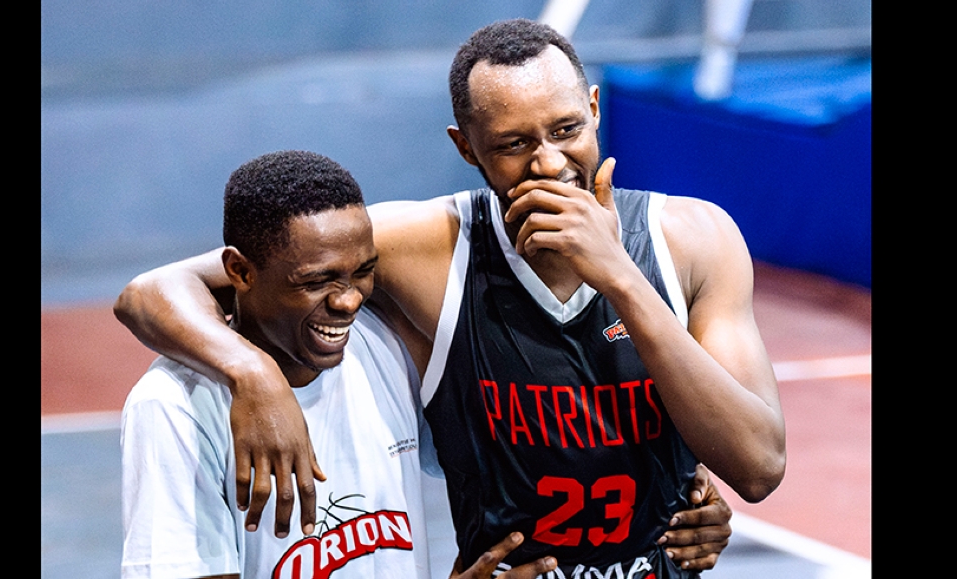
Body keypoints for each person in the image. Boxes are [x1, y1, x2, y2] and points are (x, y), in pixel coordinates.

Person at [116, 18, 781, 577]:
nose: (548, 163)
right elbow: (152, 291)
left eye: (566, 128)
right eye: (514, 144)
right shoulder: (425, 246)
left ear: (598, 109)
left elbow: (758, 466)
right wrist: (252, 373)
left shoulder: (693, 239)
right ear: (466, 149)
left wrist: (620, 277)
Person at [119, 150, 561, 579]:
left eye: (363, 271)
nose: (349, 300)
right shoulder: (174, 406)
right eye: (316, 281)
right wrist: (255, 375)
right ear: (241, 271)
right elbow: (142, 294)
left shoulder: (385, 347)